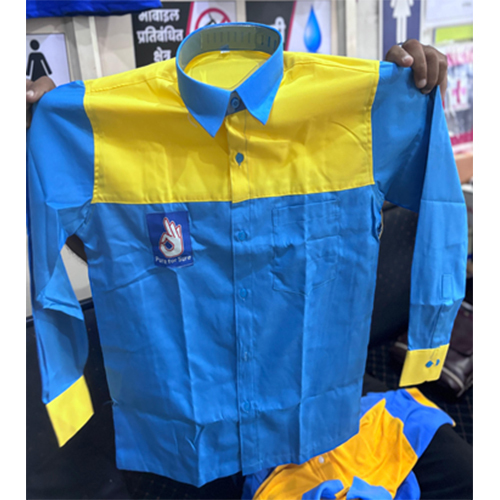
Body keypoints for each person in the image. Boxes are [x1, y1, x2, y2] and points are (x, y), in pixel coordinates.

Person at [26, 40, 471, 499]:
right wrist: (64, 387)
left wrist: (430, 341)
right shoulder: (107, 128)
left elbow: (439, 202)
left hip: (322, 397)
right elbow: (99, 243)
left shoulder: (358, 108)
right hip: (188, 428)